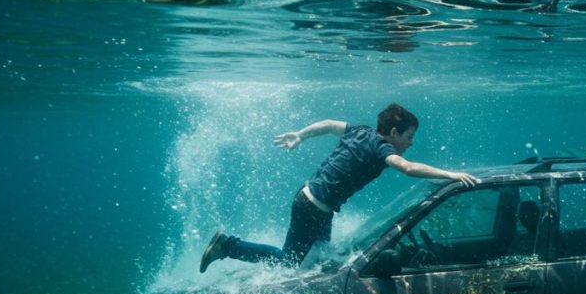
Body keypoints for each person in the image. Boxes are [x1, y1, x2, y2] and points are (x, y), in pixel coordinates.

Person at [199, 103, 479, 272]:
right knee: (289, 262)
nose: (410, 143)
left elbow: (331, 124)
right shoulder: (380, 147)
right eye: (409, 136)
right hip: (311, 207)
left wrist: (301, 134)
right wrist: (449, 174)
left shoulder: (361, 131)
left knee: (323, 259)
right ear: (393, 133)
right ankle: (227, 245)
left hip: (316, 204)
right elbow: (406, 168)